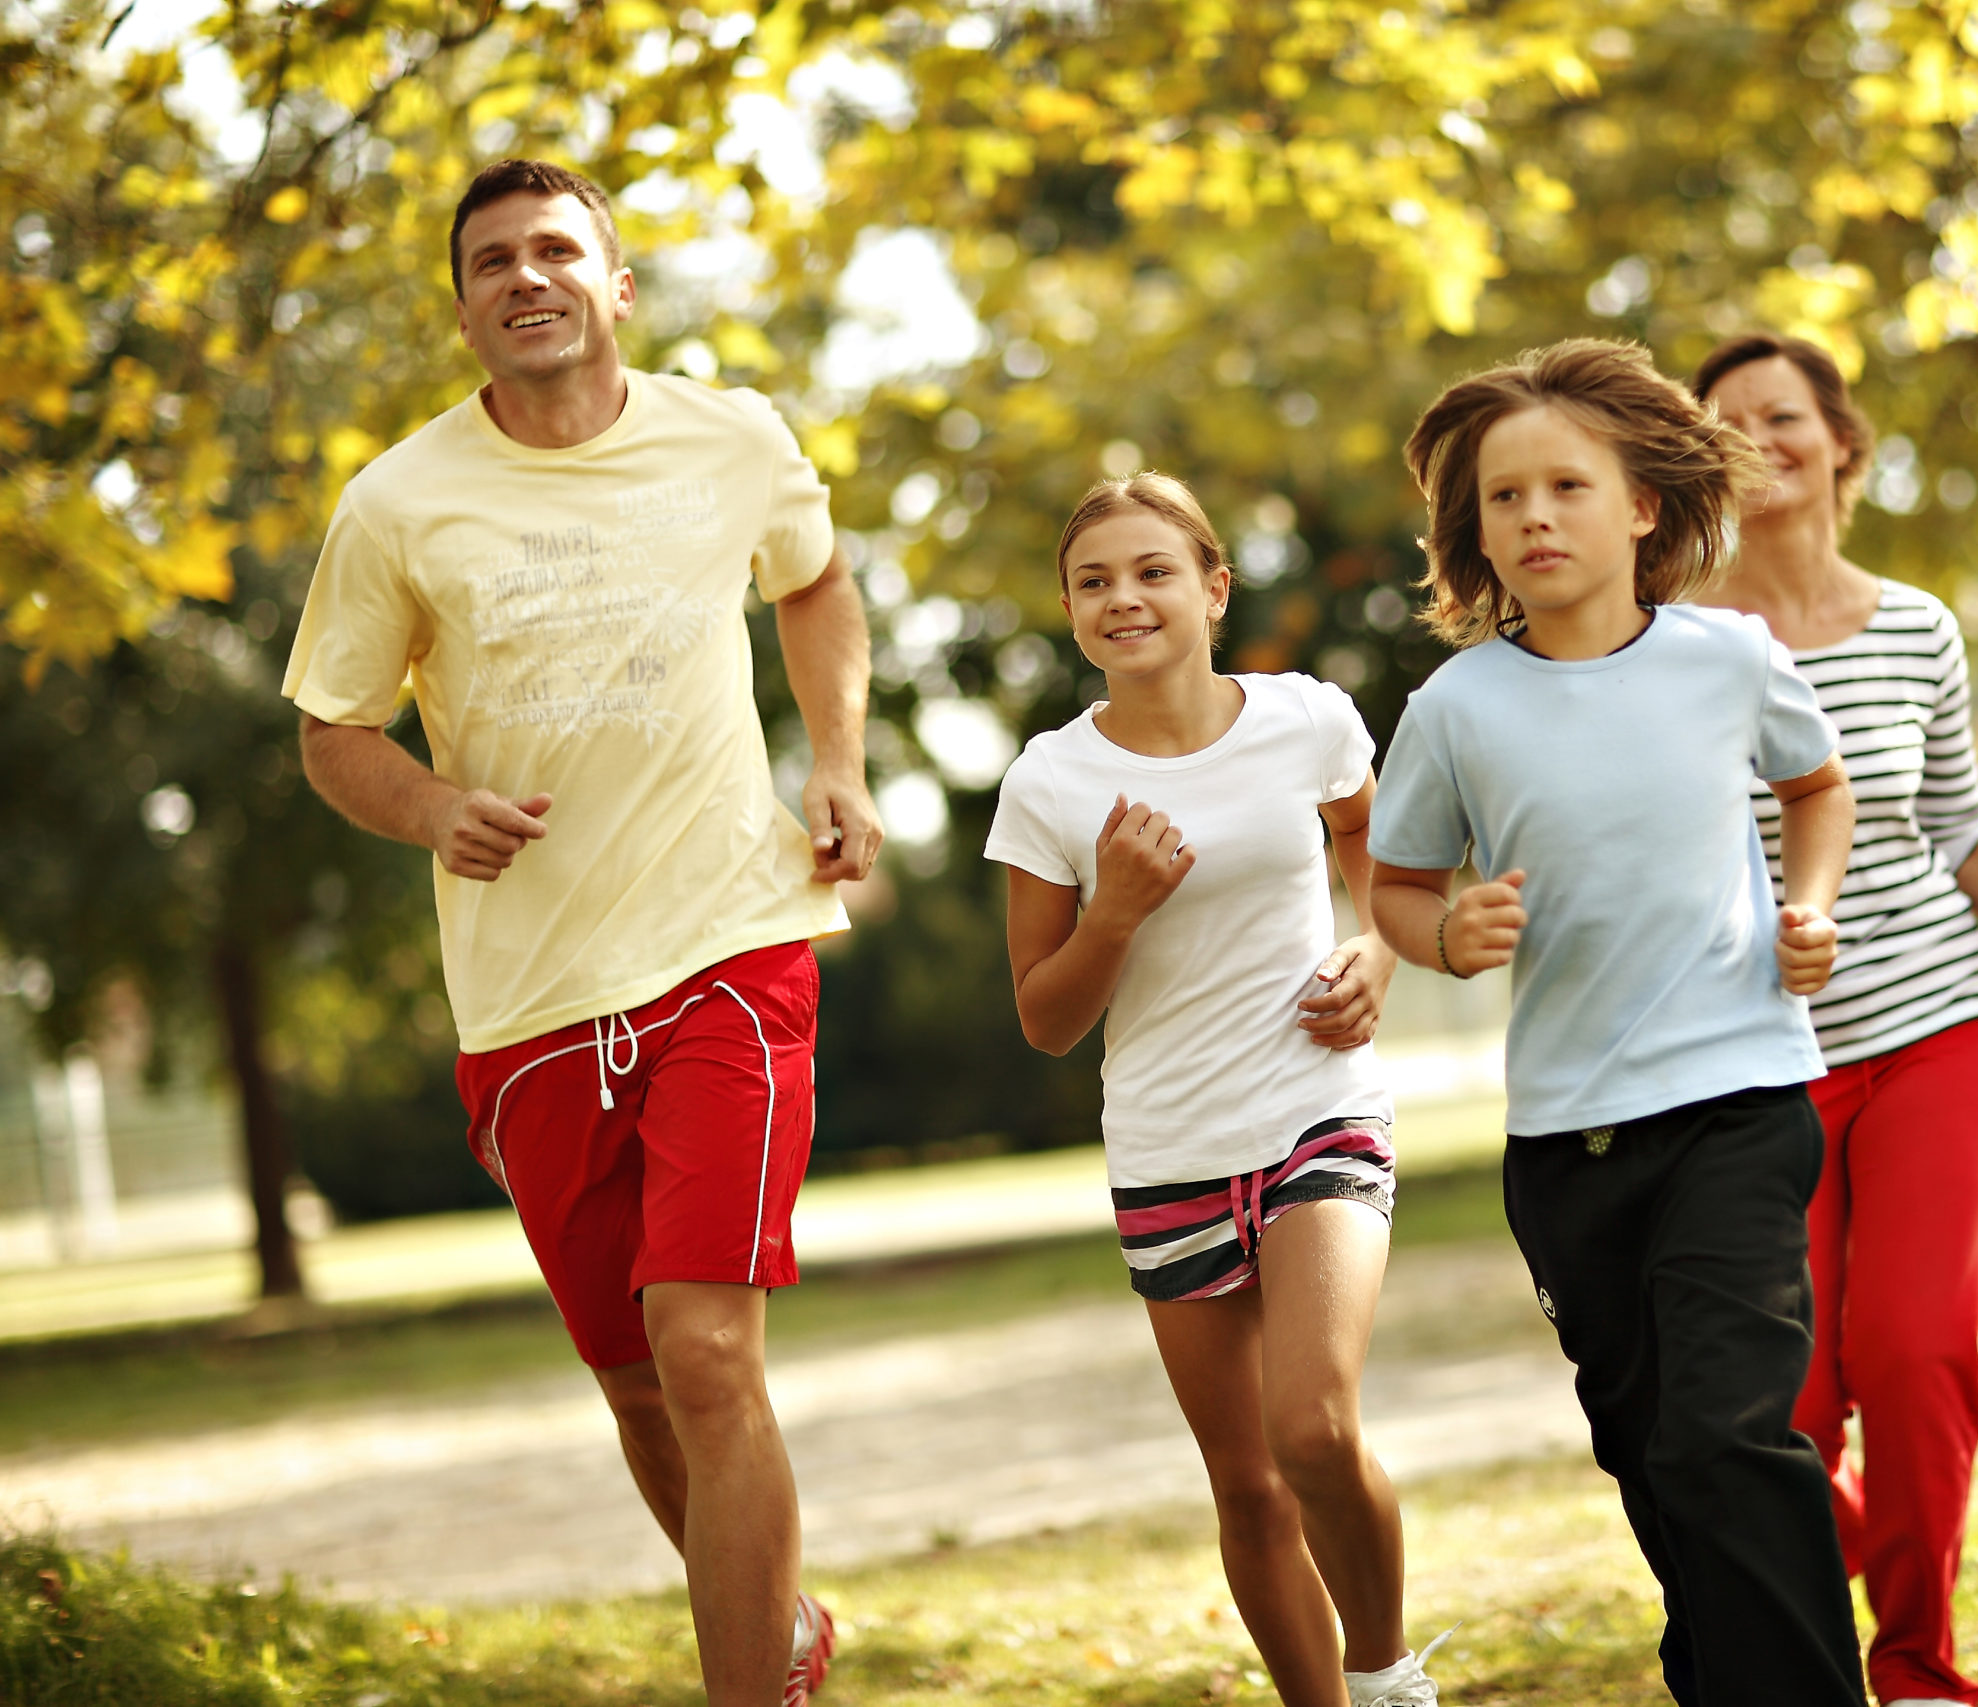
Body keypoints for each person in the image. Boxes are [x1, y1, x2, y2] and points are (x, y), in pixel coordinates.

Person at [286, 158, 877, 1707]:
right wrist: (431, 809)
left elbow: (815, 583)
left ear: (617, 285)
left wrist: (841, 761)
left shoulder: (732, 435)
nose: (526, 276)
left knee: (706, 1352)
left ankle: (752, 1689)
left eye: (558, 249)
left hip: (729, 952)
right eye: (493, 261)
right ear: (468, 307)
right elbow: (334, 729)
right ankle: (778, 1621)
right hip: (530, 1000)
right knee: (634, 1385)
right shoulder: (398, 502)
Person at [1365, 338, 1867, 1707]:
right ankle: (1718, 1671)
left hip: (1740, 1100)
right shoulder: (1458, 705)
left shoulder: (1728, 656)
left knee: (1725, 1436)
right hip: (1570, 1146)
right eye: (1503, 497)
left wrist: (1803, 908)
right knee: (1654, 1453)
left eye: (1565, 487)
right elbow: (1398, 882)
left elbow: (1818, 788)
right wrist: (1445, 936)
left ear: (1641, 505)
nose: (1533, 516)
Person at [1692, 330, 1978, 1707]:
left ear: (1845, 441)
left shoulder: (1916, 626)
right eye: (1727, 424)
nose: (1759, 439)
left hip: (1940, 1030)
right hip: (1763, 1062)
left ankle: (1919, 1667)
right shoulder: (1682, 645)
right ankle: (1798, 1598)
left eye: (1783, 415)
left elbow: (1958, 826)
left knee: (1909, 1351)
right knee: (1786, 1398)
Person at [984, 474, 1446, 1707]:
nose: (1122, 599)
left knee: (1315, 1431)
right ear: (1072, 612)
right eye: (1093, 582)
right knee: (1246, 1483)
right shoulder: (1048, 783)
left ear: (1212, 588)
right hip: (1166, 1148)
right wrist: (1116, 913)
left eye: (1151, 572)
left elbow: (1377, 850)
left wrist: (1379, 952)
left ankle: (1388, 1677)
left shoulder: (1307, 720)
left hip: (1317, 1105)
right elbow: (1045, 1017)